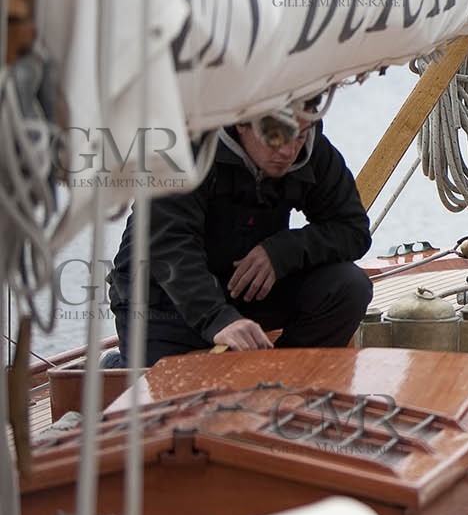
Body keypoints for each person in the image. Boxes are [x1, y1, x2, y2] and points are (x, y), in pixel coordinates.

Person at [109, 116, 373, 365]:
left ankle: (286, 377)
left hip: (245, 288)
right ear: (242, 124)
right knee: (167, 397)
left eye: (301, 137)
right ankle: (115, 367)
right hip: (162, 298)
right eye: (276, 137)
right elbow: (170, 246)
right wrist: (217, 319)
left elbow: (352, 229)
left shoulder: (311, 149)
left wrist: (281, 252)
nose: (289, 152)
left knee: (348, 286)